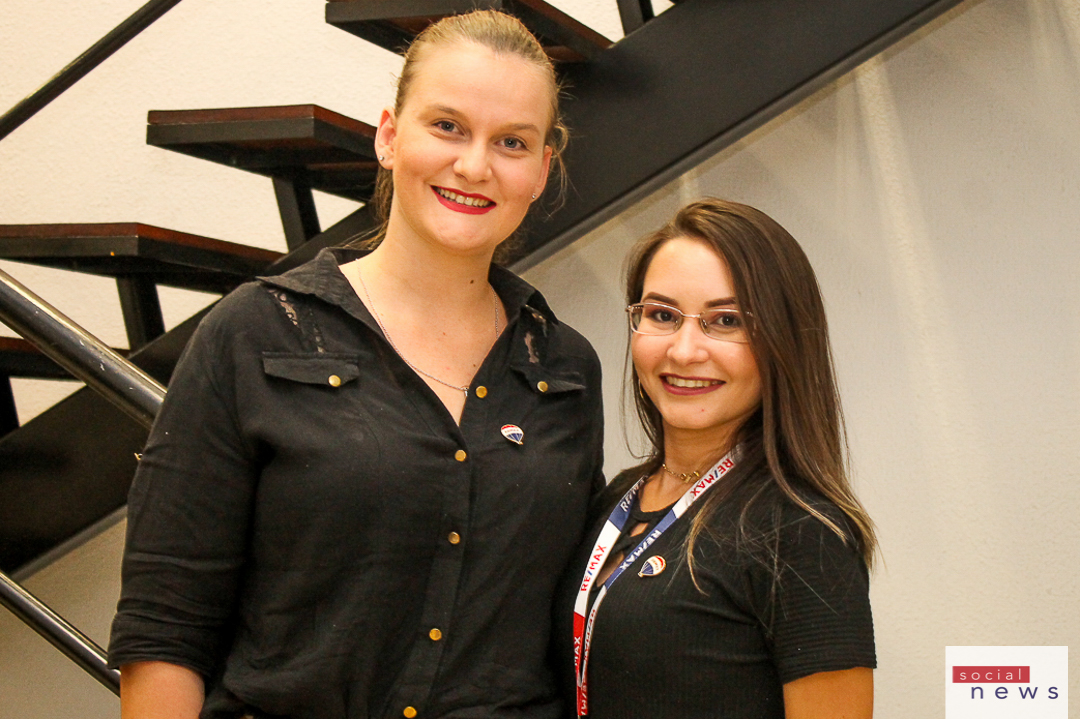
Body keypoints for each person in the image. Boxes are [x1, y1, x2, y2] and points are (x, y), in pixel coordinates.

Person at [108, 11, 604, 719]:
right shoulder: (253, 334)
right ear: (389, 136)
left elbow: (568, 629)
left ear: (541, 170)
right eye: (447, 126)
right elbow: (164, 627)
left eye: (512, 142)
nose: (475, 166)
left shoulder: (565, 370)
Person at [560, 199, 877, 719]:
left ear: (782, 341)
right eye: (662, 315)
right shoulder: (616, 497)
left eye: (726, 321)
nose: (684, 351)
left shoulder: (802, 532)